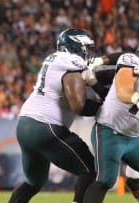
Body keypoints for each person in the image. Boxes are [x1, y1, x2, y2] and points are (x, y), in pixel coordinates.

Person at [8, 28, 102, 203]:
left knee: (33, 182)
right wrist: (104, 108)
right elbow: (79, 106)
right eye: (86, 48)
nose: (88, 53)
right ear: (73, 47)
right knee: (91, 170)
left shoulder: (55, 59)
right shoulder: (71, 61)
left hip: (25, 124)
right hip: (45, 126)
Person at [82, 49, 139, 203]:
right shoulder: (131, 62)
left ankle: (134, 182)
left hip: (134, 137)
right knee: (105, 180)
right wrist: (136, 97)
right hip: (110, 130)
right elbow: (123, 90)